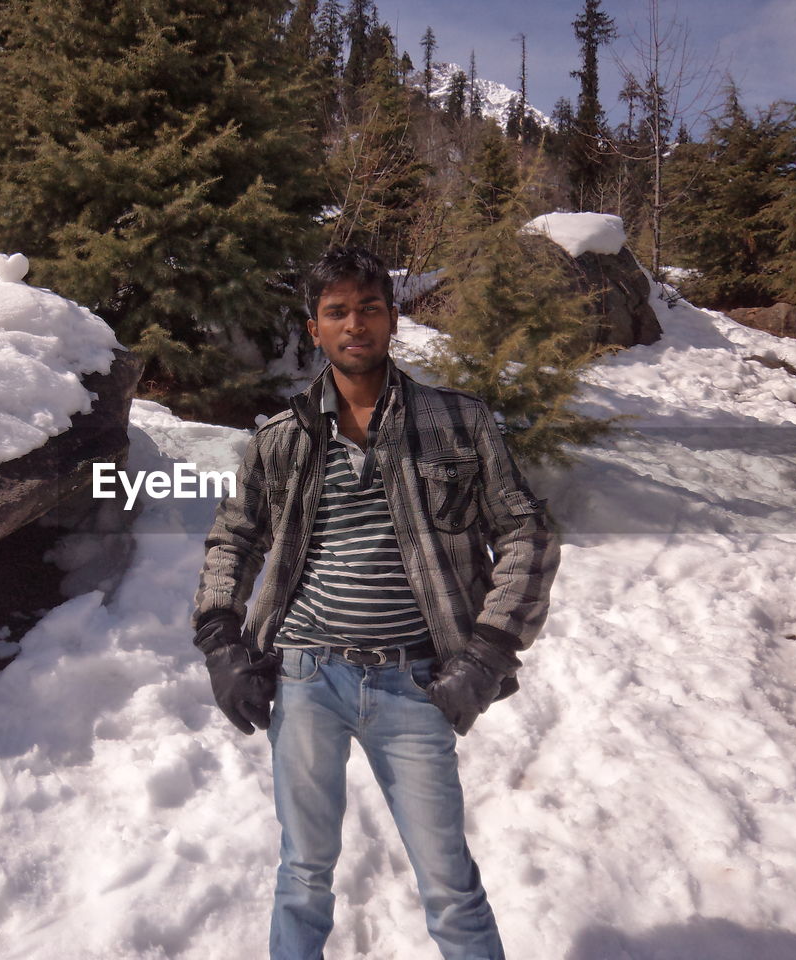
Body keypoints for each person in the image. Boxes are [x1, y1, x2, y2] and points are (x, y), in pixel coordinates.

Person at [192, 246, 560, 960]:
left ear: (392, 318)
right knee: (302, 875)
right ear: (314, 329)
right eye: (336, 312)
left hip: (415, 683)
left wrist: (487, 651)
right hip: (305, 678)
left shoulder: (459, 423)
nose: (353, 323)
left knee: (450, 884)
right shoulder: (281, 439)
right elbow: (232, 536)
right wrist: (220, 641)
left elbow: (528, 532)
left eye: (367, 307)